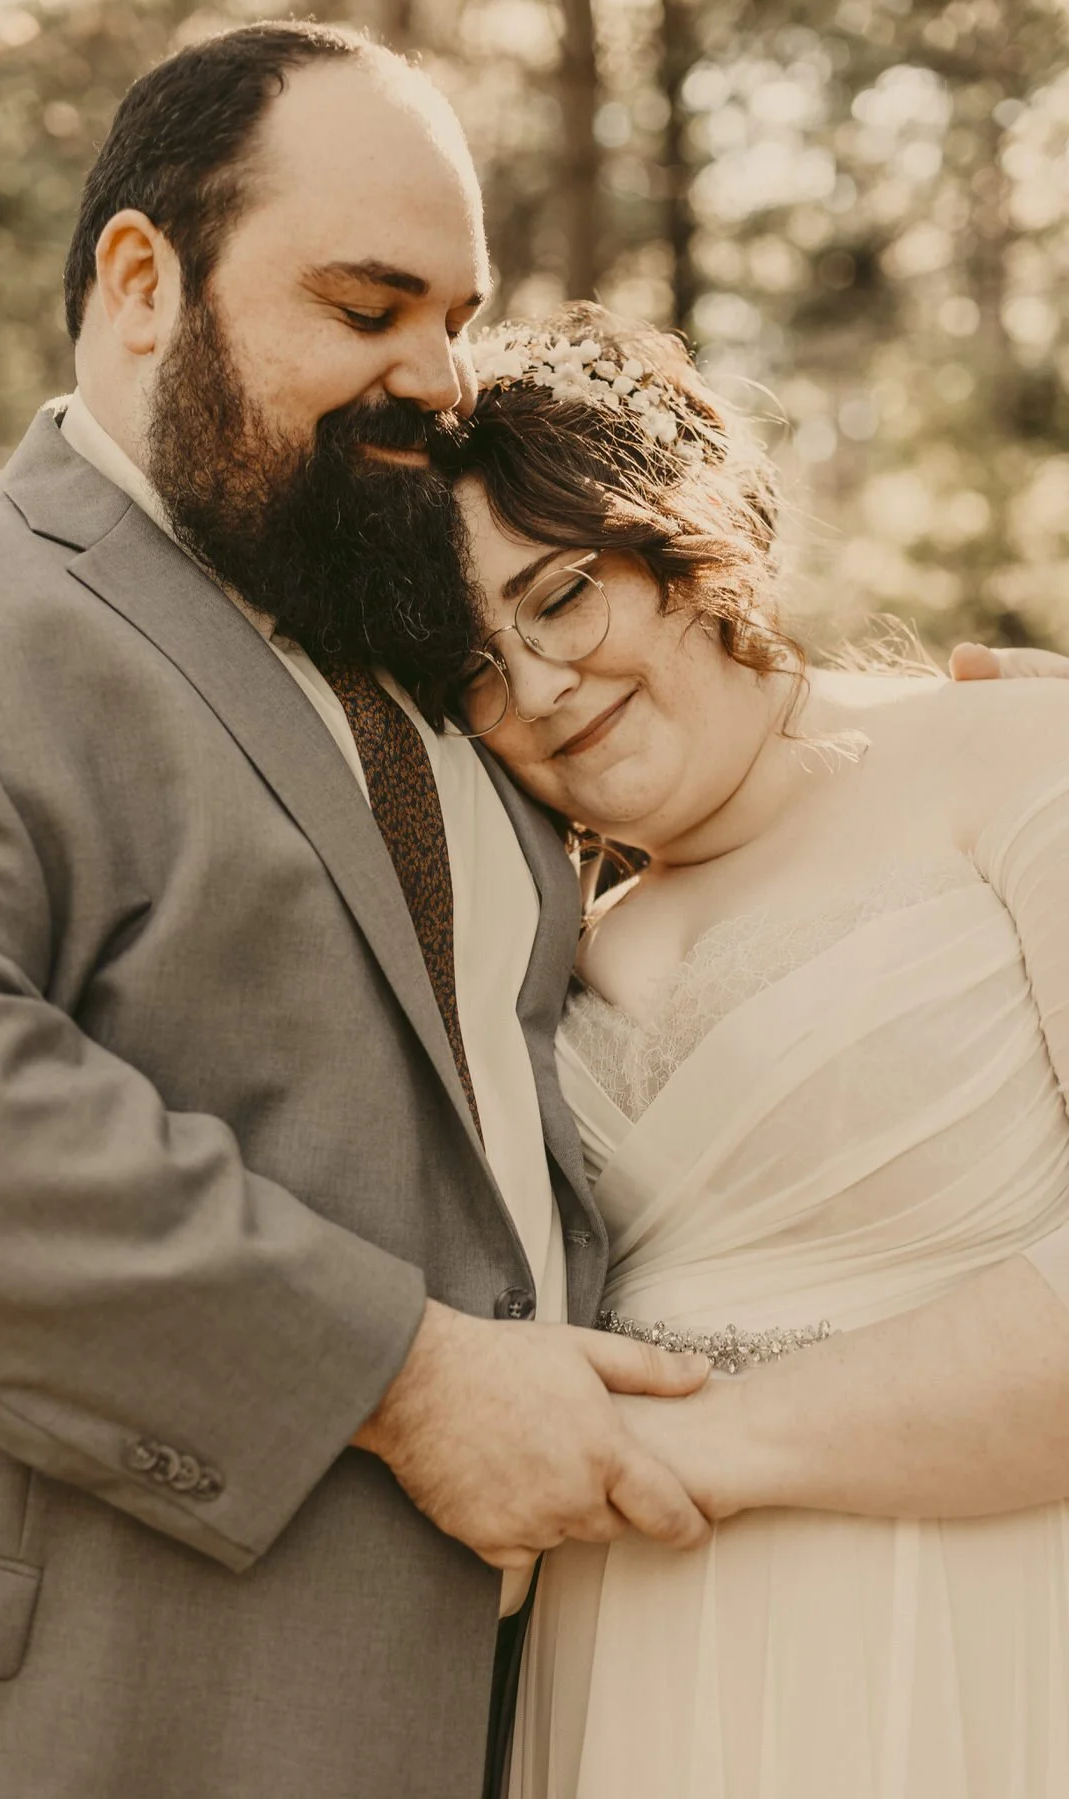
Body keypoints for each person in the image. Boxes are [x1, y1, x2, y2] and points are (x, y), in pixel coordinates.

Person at [0, 33, 719, 1799]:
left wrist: (942, 754)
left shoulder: (430, 654)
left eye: (456, 314)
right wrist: (410, 1379)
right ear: (139, 282)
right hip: (104, 1707)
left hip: (538, 1703)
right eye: (366, 305)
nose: (440, 376)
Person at [436, 302, 1069, 1797]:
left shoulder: (1013, 762)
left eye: (563, 595)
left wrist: (691, 1452)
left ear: (682, 540)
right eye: (471, 660)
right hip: (629, 1673)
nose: (534, 686)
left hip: (970, 1631)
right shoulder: (530, 942)